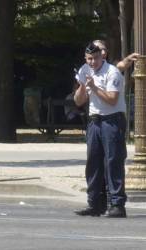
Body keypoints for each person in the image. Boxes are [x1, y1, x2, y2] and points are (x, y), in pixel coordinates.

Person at [74, 43, 127, 218]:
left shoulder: (112, 72)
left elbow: (112, 100)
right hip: (94, 121)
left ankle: (117, 204)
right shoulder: (84, 70)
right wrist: (83, 86)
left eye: (96, 58)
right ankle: (95, 204)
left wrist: (95, 88)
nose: (92, 62)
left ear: (101, 56)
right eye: (89, 59)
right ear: (85, 58)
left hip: (112, 120)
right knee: (93, 163)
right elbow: (78, 101)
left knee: (112, 162)